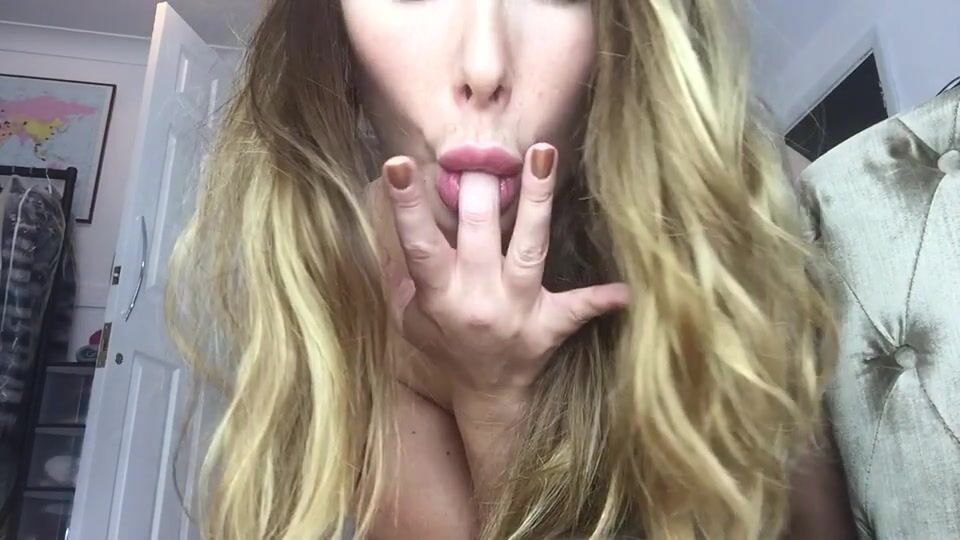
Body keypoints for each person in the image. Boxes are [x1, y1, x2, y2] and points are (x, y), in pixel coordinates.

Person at [168, 0, 856, 538]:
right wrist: (496, 399)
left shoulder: (742, 206)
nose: (485, 65)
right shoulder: (349, 272)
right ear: (333, 29)